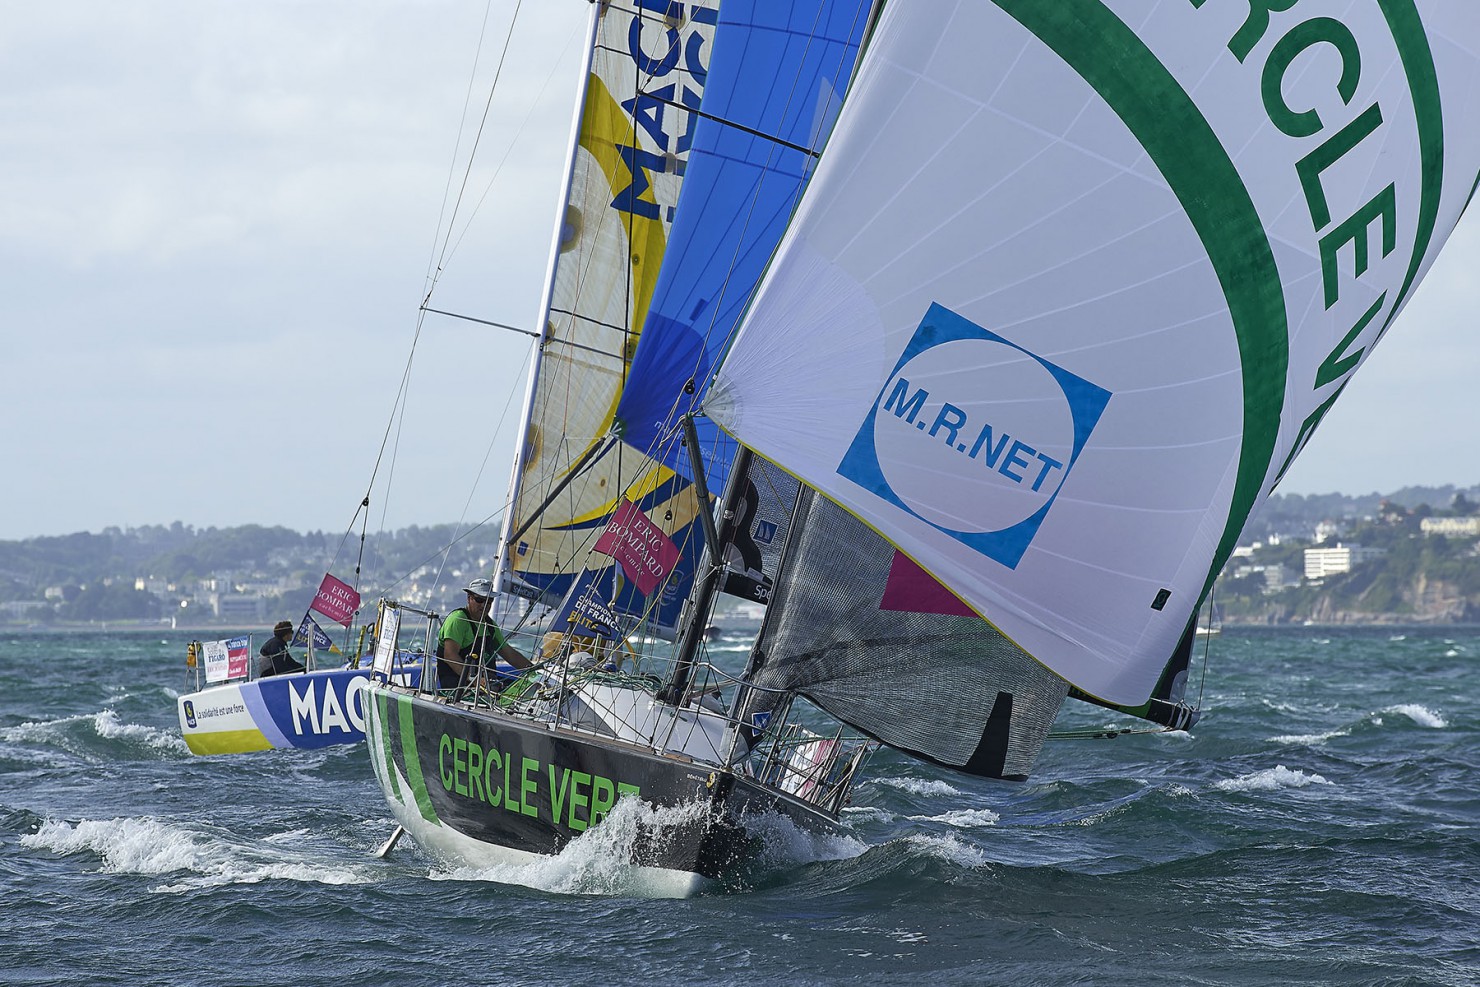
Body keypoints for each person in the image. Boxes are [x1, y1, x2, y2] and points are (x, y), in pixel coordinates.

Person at [438, 578, 532, 694]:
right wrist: (475, 679)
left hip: (487, 684)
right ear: (469, 598)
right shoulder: (458, 619)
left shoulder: (490, 625)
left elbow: (510, 654)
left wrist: (535, 672)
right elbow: (449, 655)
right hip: (458, 686)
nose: (484, 605)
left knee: (523, 690)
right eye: (479, 600)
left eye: (489, 601)